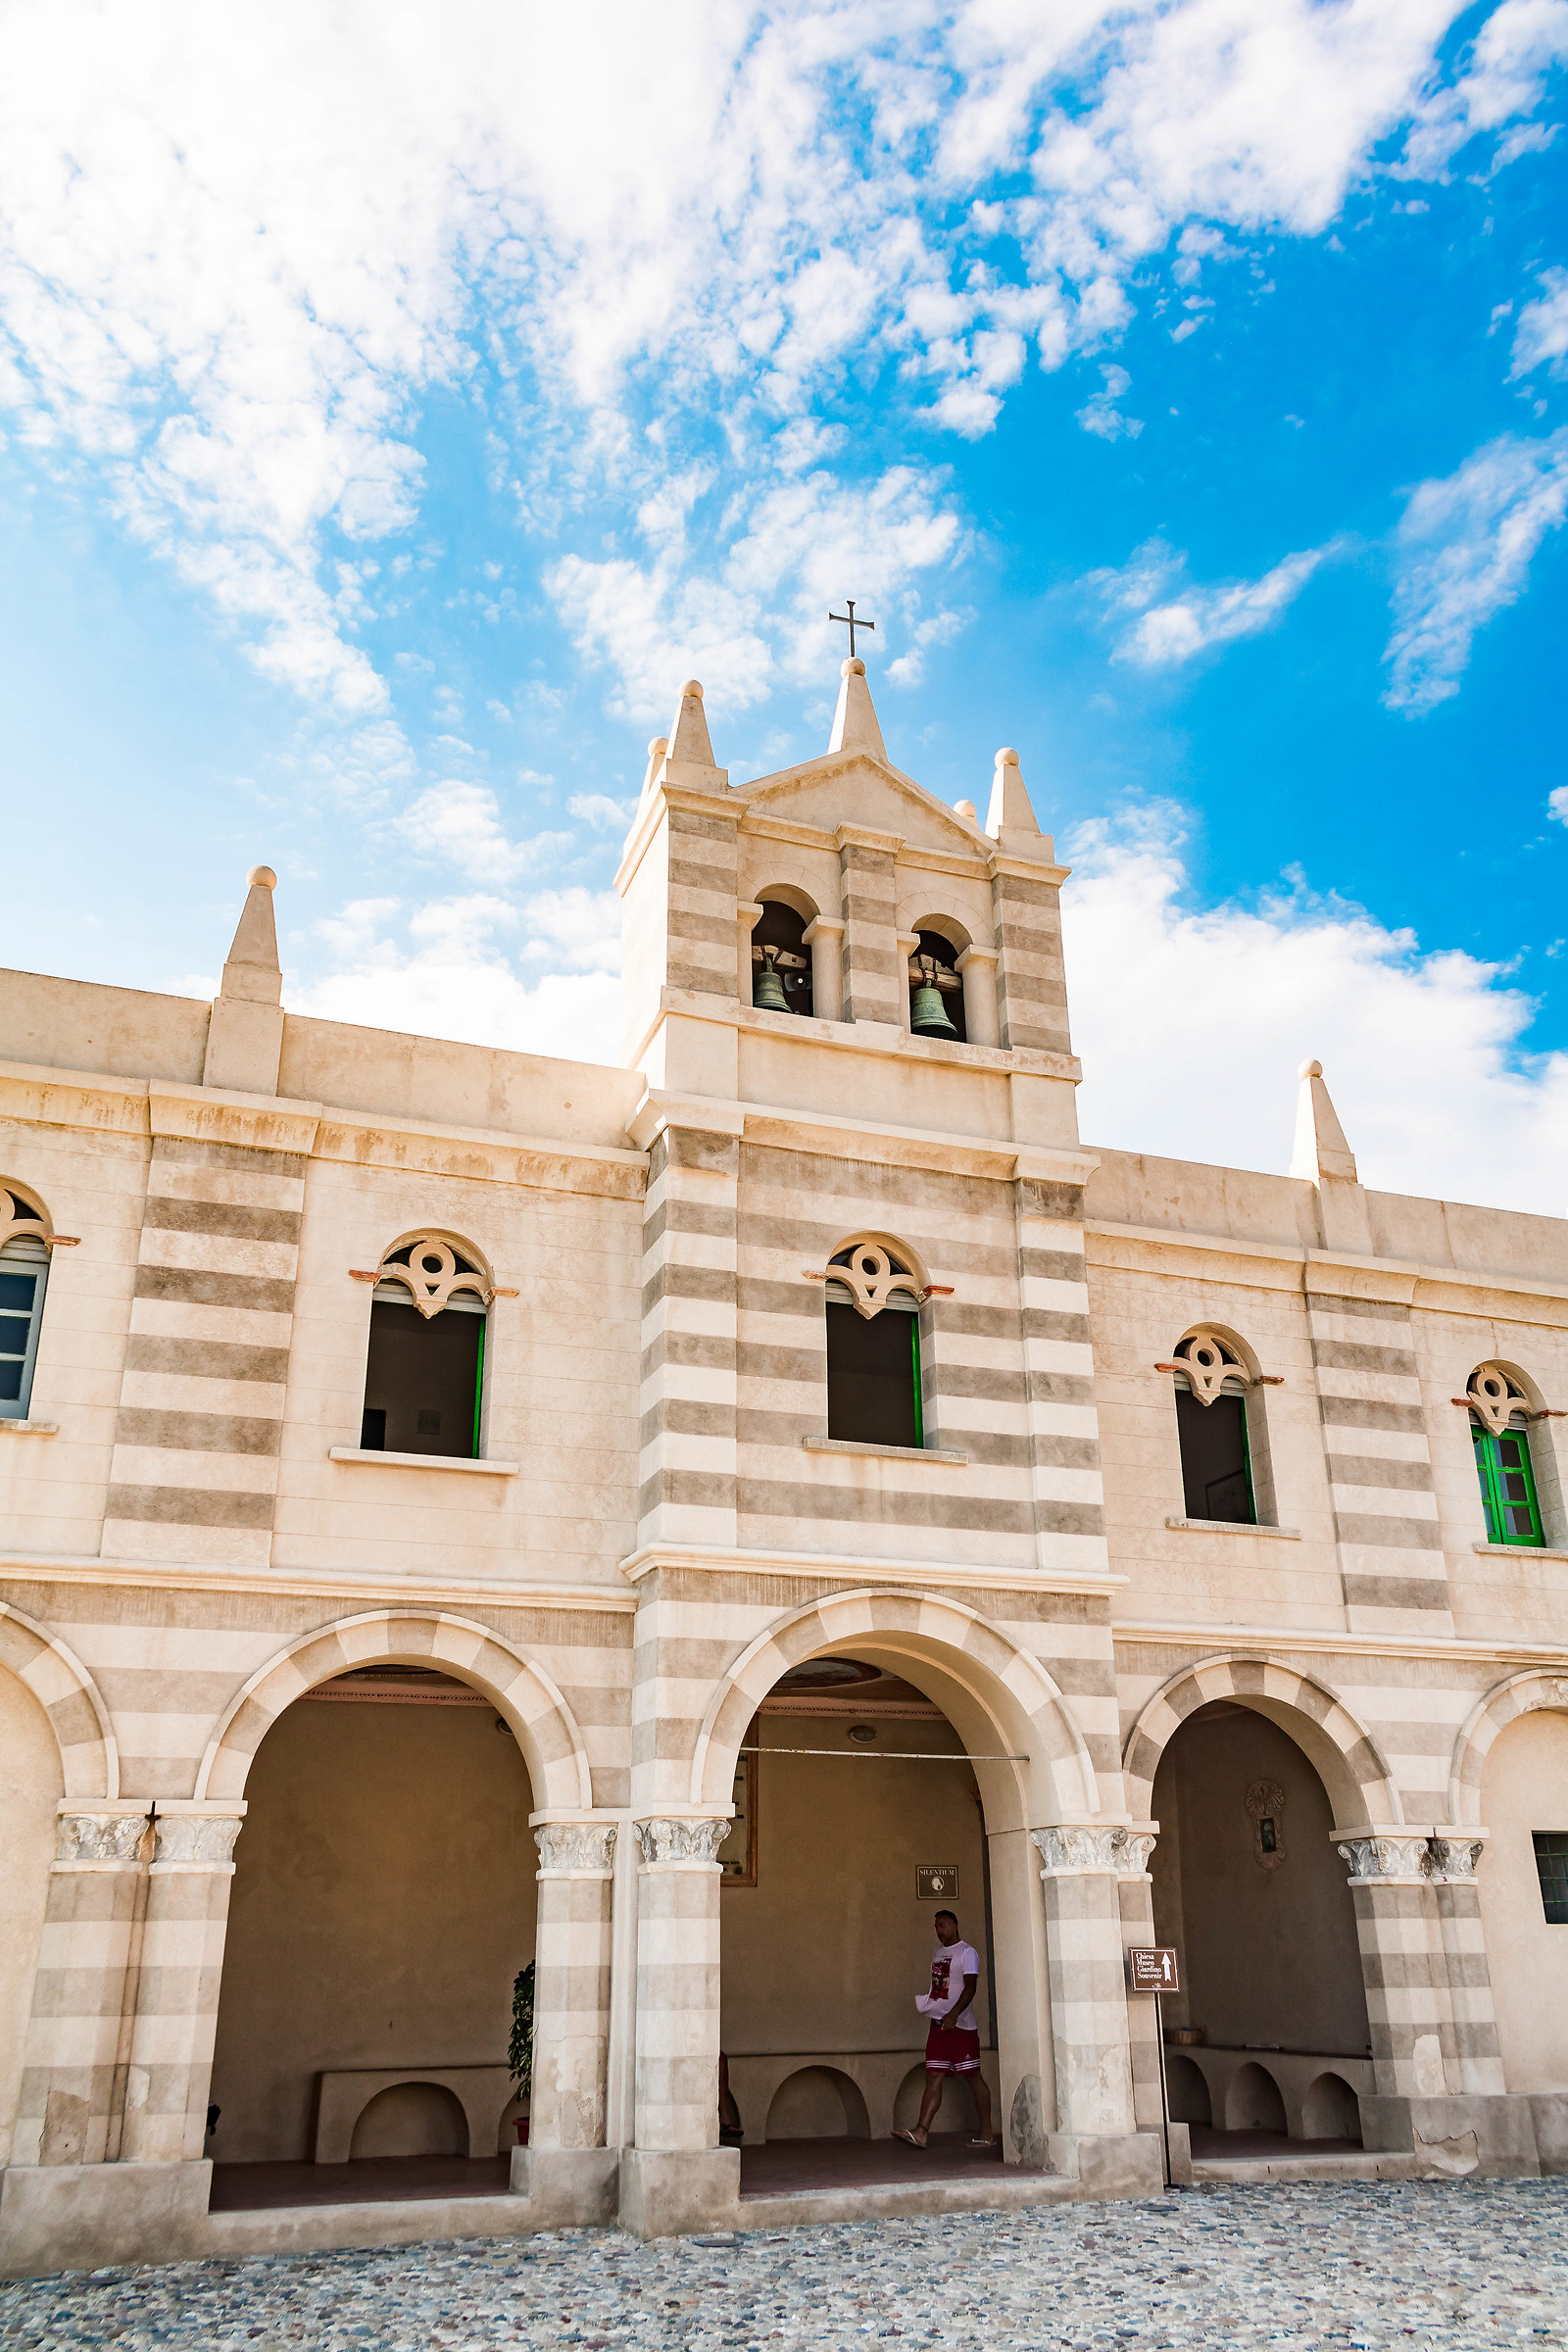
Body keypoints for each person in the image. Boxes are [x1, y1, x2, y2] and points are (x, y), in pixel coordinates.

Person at [894, 1908, 995, 2148]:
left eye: (943, 1925)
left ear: (955, 1925)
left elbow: (971, 1987)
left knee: (973, 2077)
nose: (939, 1930)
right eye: (936, 1926)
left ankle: (987, 2133)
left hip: (961, 2027)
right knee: (934, 2076)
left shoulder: (967, 1953)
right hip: (938, 2026)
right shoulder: (937, 1953)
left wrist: (954, 2014)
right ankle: (921, 2132)